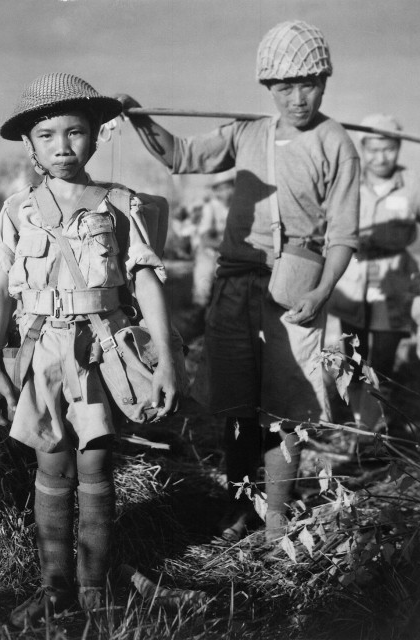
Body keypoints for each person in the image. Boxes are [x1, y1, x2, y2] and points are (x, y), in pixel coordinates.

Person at [116, 20, 360, 542]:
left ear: (325, 80)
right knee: (235, 406)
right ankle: (237, 508)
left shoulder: (336, 143)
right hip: (234, 285)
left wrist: (321, 293)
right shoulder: (248, 132)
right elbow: (180, 156)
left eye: (310, 83)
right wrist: (138, 116)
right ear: (268, 88)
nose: (298, 97)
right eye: (285, 86)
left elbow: (343, 235)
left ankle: (274, 519)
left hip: (297, 288)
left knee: (285, 411)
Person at [0, 73, 177, 627]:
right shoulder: (18, 209)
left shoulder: (120, 204)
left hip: (101, 353)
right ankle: (55, 588)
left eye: (76, 133)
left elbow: (146, 283)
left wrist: (167, 357)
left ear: (96, 137)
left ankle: (94, 591)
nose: (62, 146)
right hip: (42, 354)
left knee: (95, 463)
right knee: (52, 463)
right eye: (47, 135)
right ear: (29, 144)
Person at [329, 114, 420, 431]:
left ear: (399, 147)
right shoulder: (348, 181)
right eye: (374, 149)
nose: (381, 157)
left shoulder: (415, 185)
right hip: (351, 283)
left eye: (389, 149)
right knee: (353, 357)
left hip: (393, 286)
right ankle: (355, 418)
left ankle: (371, 432)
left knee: (382, 361)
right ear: (363, 149)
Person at [189, 171, 234, 332]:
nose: (226, 192)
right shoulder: (211, 207)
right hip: (210, 253)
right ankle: (196, 326)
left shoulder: (239, 207)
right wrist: (228, 245)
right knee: (203, 286)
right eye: (221, 189)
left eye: (229, 187)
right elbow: (205, 238)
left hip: (231, 255)